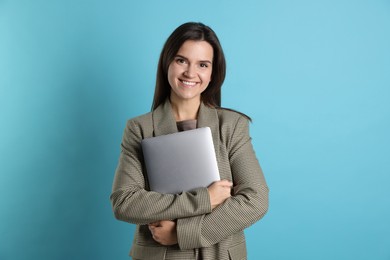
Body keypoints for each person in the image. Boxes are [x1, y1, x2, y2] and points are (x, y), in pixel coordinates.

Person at [110, 22, 269, 260]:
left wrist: (182, 233)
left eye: (202, 65)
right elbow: (125, 202)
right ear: (167, 63)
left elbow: (255, 200)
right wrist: (206, 199)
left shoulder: (232, 125)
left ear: (213, 72)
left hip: (219, 253)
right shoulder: (140, 128)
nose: (190, 73)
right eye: (181, 60)